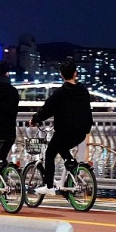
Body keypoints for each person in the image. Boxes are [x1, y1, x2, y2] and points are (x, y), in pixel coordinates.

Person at [29, 59, 93, 194]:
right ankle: (71, 165)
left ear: (61, 75)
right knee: (62, 148)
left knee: (50, 153)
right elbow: (87, 111)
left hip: (64, 133)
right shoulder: (83, 91)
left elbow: (47, 110)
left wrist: (35, 119)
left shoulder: (60, 93)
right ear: (75, 73)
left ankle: (49, 187)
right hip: (81, 132)